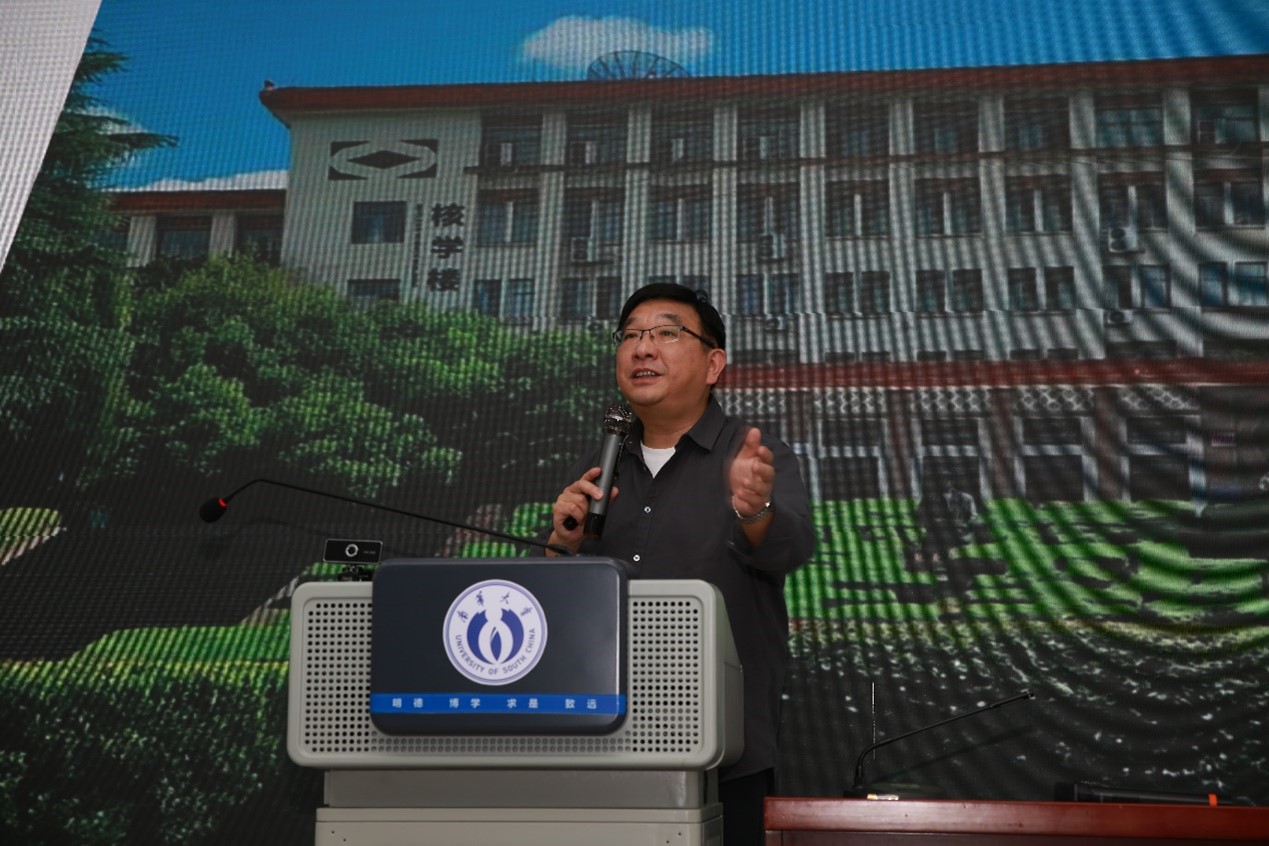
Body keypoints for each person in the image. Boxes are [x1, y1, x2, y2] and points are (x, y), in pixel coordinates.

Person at [546, 282, 815, 846]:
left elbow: (789, 549)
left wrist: (754, 509)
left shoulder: (753, 457)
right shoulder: (597, 467)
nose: (642, 348)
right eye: (630, 336)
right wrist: (559, 544)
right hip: (601, 749)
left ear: (714, 364)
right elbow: (549, 607)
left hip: (721, 755)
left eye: (667, 333)